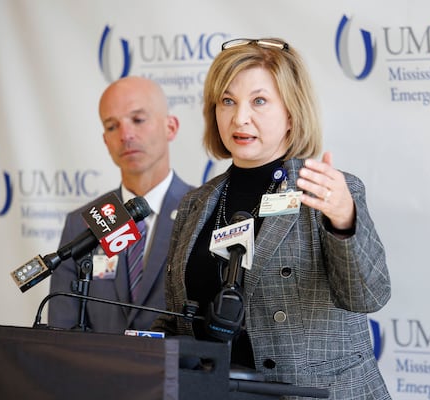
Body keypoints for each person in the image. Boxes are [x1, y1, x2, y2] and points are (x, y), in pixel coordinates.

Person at [152, 38, 391, 399]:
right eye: (227, 101)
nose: (240, 117)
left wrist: (344, 219)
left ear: (292, 113)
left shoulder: (327, 191)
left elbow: (368, 296)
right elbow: (176, 320)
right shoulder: (195, 203)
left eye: (259, 101)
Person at [48, 76, 194, 334]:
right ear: (105, 140)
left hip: (175, 373)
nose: (126, 135)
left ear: (170, 127)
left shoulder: (202, 211)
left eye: (138, 120)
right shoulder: (80, 223)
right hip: (98, 373)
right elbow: (62, 329)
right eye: (112, 126)